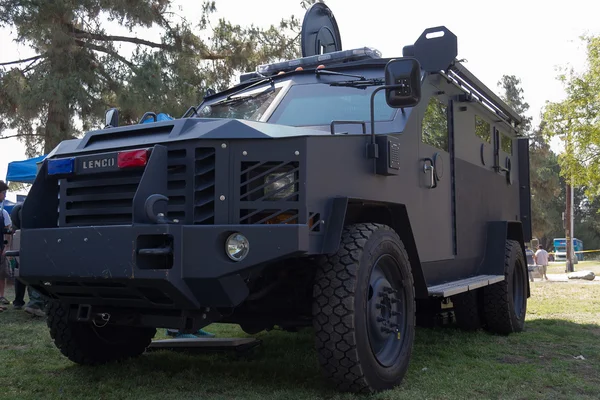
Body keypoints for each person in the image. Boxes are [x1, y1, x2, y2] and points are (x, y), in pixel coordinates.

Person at [0, 181, 13, 308]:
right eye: (3, 193)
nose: (4, 196)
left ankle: (1, 296)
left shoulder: (2, 213)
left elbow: (8, 230)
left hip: (1, 248)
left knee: (2, 273)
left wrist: (6, 247)